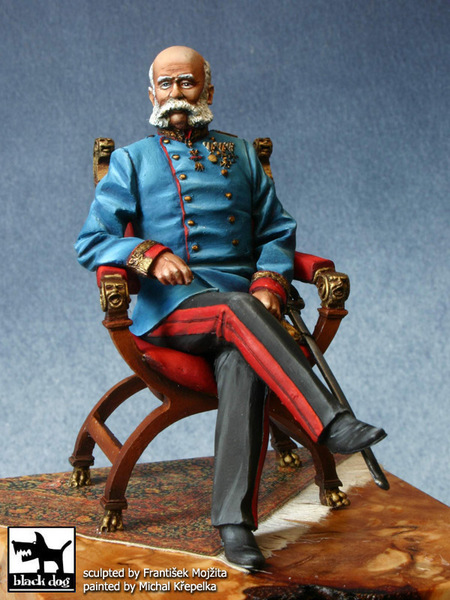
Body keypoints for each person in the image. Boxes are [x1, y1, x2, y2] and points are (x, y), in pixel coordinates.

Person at [76, 46, 386, 570]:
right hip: (174, 310)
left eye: (187, 82)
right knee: (232, 312)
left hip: (245, 309)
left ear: (208, 90)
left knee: (241, 359)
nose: (177, 94)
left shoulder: (240, 153)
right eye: (166, 84)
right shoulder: (132, 160)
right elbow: (91, 241)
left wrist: (269, 282)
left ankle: (235, 526)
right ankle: (330, 422)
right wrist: (148, 254)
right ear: (151, 95)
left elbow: (277, 231)